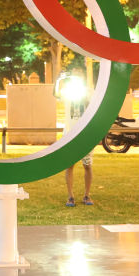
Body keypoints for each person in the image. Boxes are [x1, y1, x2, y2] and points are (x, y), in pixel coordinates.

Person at [55, 71, 92, 206]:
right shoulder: (67, 92)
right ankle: (70, 196)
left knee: (87, 165)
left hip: (85, 135)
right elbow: (55, 94)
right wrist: (59, 80)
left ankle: (87, 195)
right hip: (70, 134)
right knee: (69, 165)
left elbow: (92, 106)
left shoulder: (87, 92)